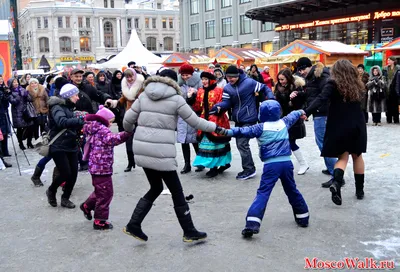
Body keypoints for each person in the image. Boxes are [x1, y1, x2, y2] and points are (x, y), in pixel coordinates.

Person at [122, 69, 221, 243]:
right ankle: (189, 231)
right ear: (173, 82)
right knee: (177, 191)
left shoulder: (144, 96)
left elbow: (127, 121)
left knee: (156, 187)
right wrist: (217, 128)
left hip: (143, 150)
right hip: (162, 154)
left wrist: (131, 132)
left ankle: (134, 224)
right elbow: (195, 121)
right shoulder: (176, 99)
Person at [219, 100, 309, 238]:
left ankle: (252, 223)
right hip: (286, 163)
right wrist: (302, 112)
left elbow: (243, 131)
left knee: (263, 193)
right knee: (292, 190)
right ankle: (303, 217)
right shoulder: (284, 122)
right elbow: (294, 114)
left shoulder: (260, 127)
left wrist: (226, 131)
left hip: (271, 165)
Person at [304, 59, 367, 205]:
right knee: (357, 157)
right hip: (357, 124)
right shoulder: (358, 85)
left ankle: (337, 183)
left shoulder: (332, 84)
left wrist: (306, 112)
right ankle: (360, 191)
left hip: (338, 125)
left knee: (342, 158)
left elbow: (321, 98)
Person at [211, 65, 275, 180]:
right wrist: (218, 107)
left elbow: (264, 88)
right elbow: (226, 102)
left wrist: (270, 98)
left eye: (232, 77)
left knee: (242, 144)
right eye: (228, 77)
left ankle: (249, 169)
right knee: (241, 144)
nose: (230, 79)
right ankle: (249, 168)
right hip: (238, 120)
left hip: (249, 118)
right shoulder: (228, 88)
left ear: (237, 75)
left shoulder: (249, 83)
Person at [80, 105, 131, 230]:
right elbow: (113, 139)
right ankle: (99, 221)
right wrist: (127, 133)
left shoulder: (94, 128)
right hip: (101, 167)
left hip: (97, 166)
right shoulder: (102, 129)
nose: (110, 124)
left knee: (101, 190)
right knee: (106, 194)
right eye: (110, 121)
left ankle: (87, 206)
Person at [297, 57, 337, 187]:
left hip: (323, 113)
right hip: (320, 112)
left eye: (303, 68)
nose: (301, 72)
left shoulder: (320, 75)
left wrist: (307, 111)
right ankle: (331, 167)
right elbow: (313, 95)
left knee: (324, 144)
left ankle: (336, 174)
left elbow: (323, 96)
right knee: (323, 142)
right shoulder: (313, 77)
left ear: (309, 66)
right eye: (299, 70)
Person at [45, 84, 85, 209]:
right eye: (75, 95)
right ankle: (51, 190)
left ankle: (65, 198)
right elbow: (61, 122)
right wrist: (81, 120)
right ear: (68, 96)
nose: (78, 98)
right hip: (58, 145)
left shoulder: (69, 107)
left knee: (73, 173)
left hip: (71, 143)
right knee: (65, 173)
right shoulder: (57, 107)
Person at [188, 70, 232, 178]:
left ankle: (215, 167)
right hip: (204, 120)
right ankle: (220, 164)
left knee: (217, 144)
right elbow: (197, 107)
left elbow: (225, 104)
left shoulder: (219, 90)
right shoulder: (200, 91)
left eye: (206, 79)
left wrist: (219, 110)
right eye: (202, 79)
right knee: (208, 144)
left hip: (217, 120)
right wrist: (190, 98)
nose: (203, 81)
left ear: (211, 80)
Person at [275, 68, 309, 175]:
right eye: (279, 79)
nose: (281, 82)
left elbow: (302, 103)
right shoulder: (278, 87)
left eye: (283, 79)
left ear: (288, 78)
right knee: (284, 142)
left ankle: (303, 164)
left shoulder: (296, 87)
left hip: (293, 119)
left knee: (290, 142)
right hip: (281, 119)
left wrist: (295, 96)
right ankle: (287, 166)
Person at [177, 64, 203, 174]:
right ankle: (186, 164)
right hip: (181, 115)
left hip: (193, 114)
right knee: (184, 141)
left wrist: (194, 95)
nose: (185, 77)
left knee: (195, 140)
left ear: (192, 74)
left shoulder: (199, 84)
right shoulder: (178, 85)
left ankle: (200, 162)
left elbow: (201, 98)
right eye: (183, 75)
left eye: (187, 75)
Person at [117, 68, 145, 172]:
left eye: (131, 76)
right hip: (129, 115)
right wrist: (115, 102)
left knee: (141, 140)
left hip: (141, 115)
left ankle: (143, 162)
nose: (129, 79)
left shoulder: (141, 85)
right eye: (127, 77)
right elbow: (123, 98)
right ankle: (130, 162)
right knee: (128, 139)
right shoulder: (125, 87)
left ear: (135, 76)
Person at [8, 78, 34, 150]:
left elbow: (30, 99)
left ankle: (29, 142)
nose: (16, 83)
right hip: (17, 113)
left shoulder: (22, 89)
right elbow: (13, 102)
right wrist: (19, 95)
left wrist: (27, 95)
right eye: (14, 82)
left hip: (26, 112)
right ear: (11, 84)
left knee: (30, 126)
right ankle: (21, 143)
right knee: (20, 129)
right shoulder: (10, 92)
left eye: (16, 81)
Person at [382, 56, 400, 124]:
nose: (388, 61)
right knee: (388, 104)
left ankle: (396, 119)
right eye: (387, 60)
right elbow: (383, 78)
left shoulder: (398, 68)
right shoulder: (385, 68)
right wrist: (385, 85)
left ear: (393, 61)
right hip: (387, 88)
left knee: (395, 105)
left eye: (389, 60)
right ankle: (388, 119)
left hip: (395, 88)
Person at [0, 75, 11, 157]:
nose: (0, 81)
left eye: (1, 79)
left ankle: (5, 151)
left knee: (5, 132)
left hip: (4, 112)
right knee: (2, 132)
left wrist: (6, 94)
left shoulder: (3, 89)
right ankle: (2, 152)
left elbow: (7, 103)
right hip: (1, 112)